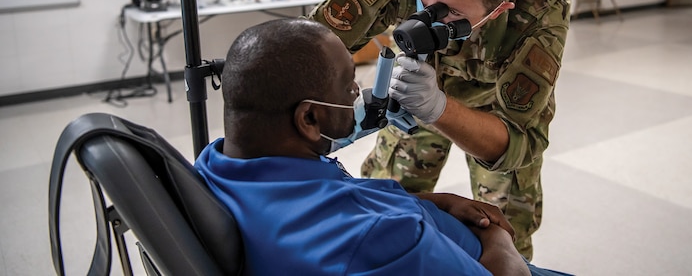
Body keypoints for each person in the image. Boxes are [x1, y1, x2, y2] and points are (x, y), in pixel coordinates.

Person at [194, 19, 570, 275]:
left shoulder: (216, 163)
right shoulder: (375, 237)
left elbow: (338, 196)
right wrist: (499, 239)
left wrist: (434, 202)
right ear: (308, 119)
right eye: (348, 86)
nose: (358, 93)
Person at [308, 0, 570, 260]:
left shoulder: (541, 10)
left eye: (449, 13)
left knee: (505, 234)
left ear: (498, 11)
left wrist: (439, 108)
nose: (428, 10)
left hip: (490, 111)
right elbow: (307, 51)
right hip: (411, 93)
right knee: (386, 209)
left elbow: (518, 140)